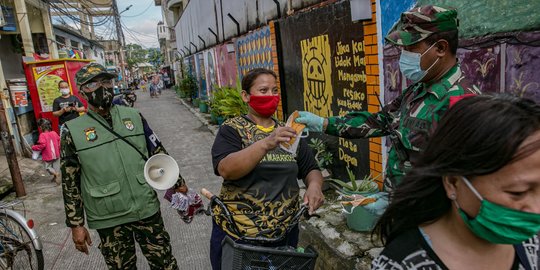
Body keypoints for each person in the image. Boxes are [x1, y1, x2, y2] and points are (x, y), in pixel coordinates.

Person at [295, 5, 480, 192]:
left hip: (427, 214)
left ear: (440, 48)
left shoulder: (463, 103)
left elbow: (464, 181)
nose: (404, 55)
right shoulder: (418, 89)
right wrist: (324, 123)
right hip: (400, 205)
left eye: (411, 48)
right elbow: (380, 121)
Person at [371, 94, 540, 269]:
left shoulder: (528, 242)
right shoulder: (401, 264)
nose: (536, 209)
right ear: (453, 182)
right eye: (518, 192)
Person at [61, 63, 188, 269]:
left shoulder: (133, 116)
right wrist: (76, 224)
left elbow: (157, 151)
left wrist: (178, 182)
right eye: (93, 84)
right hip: (108, 217)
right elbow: (69, 181)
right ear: (81, 90)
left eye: (106, 81)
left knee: (165, 264)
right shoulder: (72, 130)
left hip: (145, 208)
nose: (102, 88)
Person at [210, 68, 325, 270]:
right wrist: (265, 143)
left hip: (283, 233)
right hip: (239, 234)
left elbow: (311, 169)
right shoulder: (232, 129)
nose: (271, 96)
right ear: (246, 96)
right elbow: (226, 169)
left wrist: (315, 186)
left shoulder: (288, 132)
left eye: (274, 90)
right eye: (263, 90)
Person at [32, 118, 61, 185]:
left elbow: (42, 145)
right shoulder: (54, 133)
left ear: (41, 127)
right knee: (56, 167)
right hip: (56, 154)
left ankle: (56, 175)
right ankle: (56, 177)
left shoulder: (42, 135)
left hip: (48, 155)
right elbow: (59, 141)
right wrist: (58, 149)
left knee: (48, 167)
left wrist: (34, 147)